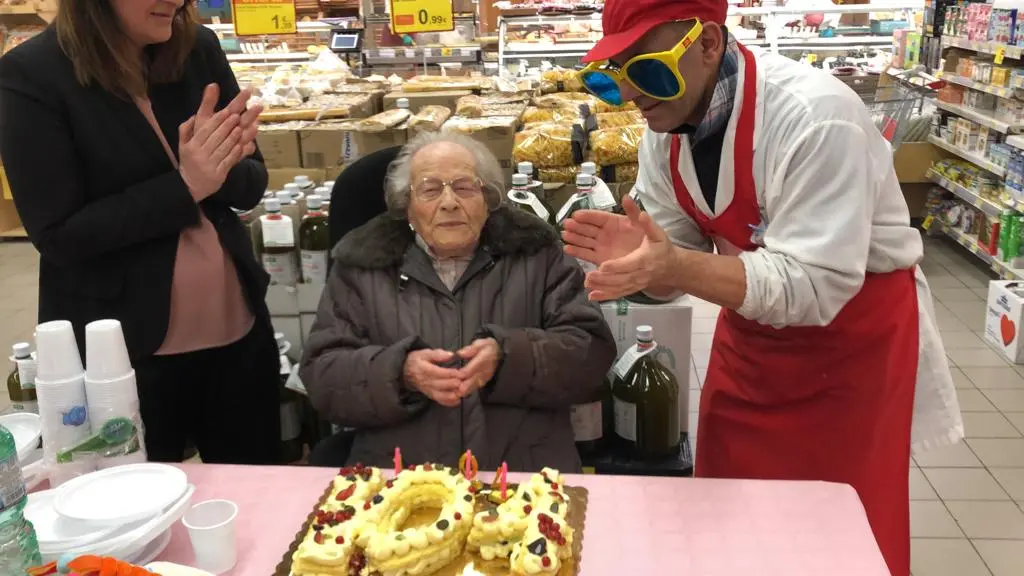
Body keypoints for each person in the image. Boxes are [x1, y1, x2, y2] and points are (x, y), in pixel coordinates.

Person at [560, 1, 963, 574]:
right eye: (614, 76)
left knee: (837, 529)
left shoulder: (814, 116)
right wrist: (641, 267)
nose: (629, 95)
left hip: (852, 345)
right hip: (752, 335)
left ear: (707, 45)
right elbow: (676, 255)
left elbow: (815, 285)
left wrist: (670, 266)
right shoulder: (664, 133)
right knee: (727, 511)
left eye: (647, 70)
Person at [0, 0, 281, 464]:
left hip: (239, 332)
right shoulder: (32, 74)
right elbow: (59, 235)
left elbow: (252, 184)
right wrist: (187, 186)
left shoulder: (197, 50)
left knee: (258, 487)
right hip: (122, 355)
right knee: (136, 499)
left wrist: (220, 167)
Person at [300, 132, 617, 472]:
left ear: (487, 199)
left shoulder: (538, 256)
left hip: (523, 475)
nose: (449, 202)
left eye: (464, 187)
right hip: (402, 479)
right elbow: (323, 377)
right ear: (407, 207)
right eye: (430, 189)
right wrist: (400, 372)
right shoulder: (362, 268)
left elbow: (591, 355)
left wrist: (507, 358)